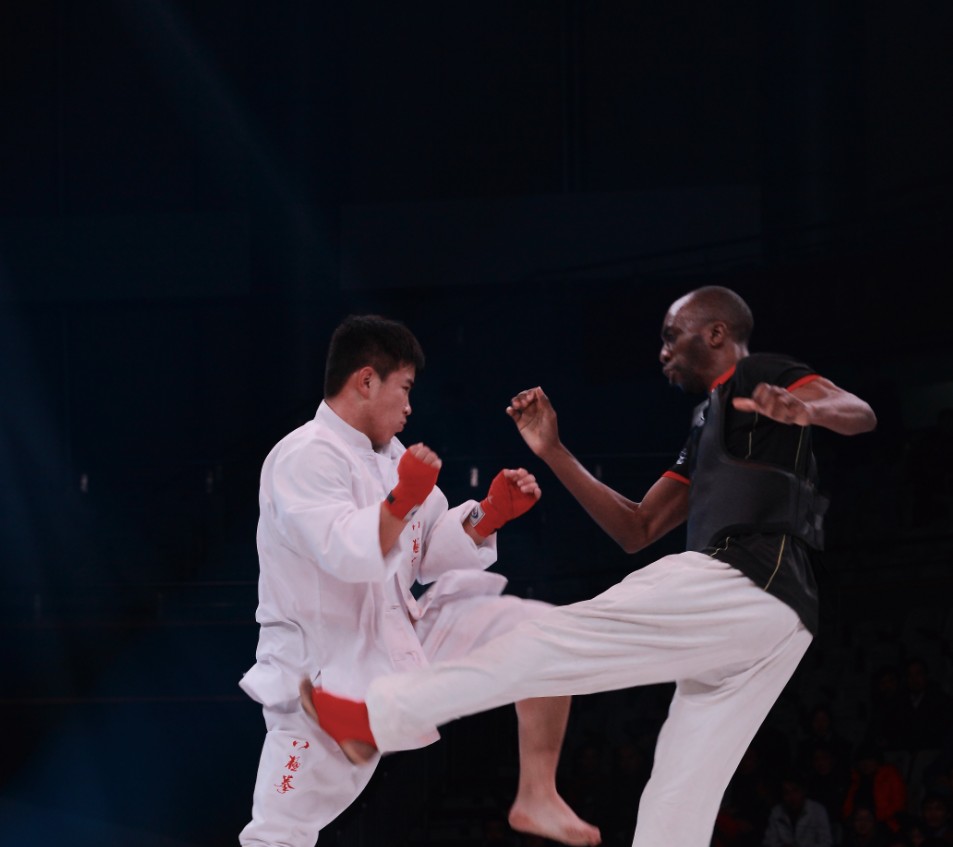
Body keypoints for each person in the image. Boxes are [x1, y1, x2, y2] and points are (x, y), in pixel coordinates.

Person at [301, 286, 878, 847]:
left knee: (549, 641)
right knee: (678, 799)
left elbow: (857, 412)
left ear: (716, 333)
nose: (663, 352)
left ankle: (376, 721)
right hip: (780, 620)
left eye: (672, 336)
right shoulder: (710, 421)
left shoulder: (757, 374)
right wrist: (552, 450)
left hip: (745, 581)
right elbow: (637, 527)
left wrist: (806, 407)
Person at [238, 315, 599, 847]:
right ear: (366, 381)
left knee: (538, 630)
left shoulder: (395, 459)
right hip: (322, 680)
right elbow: (346, 551)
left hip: (402, 647)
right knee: (279, 834)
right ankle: (360, 724)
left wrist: (488, 514)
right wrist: (401, 500)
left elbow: (426, 554)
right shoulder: (302, 456)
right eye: (405, 388)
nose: (410, 406)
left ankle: (537, 793)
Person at [762, 773, 833, 847]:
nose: (792, 797)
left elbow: (826, 843)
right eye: (786, 792)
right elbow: (768, 842)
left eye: (795, 791)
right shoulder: (777, 812)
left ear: (803, 791)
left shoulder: (817, 811)